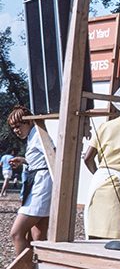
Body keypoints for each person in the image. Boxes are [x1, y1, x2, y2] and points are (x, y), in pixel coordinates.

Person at [83, 112, 120, 239]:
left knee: (94, 233)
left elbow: (88, 158)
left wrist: (97, 174)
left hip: (99, 181)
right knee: (119, 236)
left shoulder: (105, 126)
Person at [7, 106, 53, 255]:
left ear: (28, 122)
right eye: (13, 128)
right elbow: (42, 160)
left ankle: (24, 265)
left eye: (18, 126)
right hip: (38, 183)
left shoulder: (38, 135)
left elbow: (53, 155)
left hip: (42, 186)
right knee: (38, 236)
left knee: (17, 233)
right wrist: (24, 161)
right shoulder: (33, 136)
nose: (16, 130)